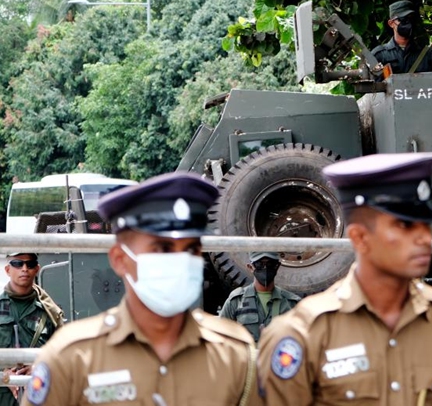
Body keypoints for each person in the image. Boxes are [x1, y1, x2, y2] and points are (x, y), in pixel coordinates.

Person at [257, 152, 432, 405]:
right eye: (405, 226)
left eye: (426, 225)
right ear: (359, 238)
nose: (424, 238)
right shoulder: (303, 334)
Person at [21, 172, 259, 406]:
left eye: (190, 249)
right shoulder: (72, 357)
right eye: (162, 248)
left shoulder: (234, 354)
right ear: (119, 259)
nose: (179, 261)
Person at [0, 253, 64, 406]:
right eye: (17, 263)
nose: (24, 269)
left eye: (30, 264)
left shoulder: (50, 312)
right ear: (8, 270)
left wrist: (39, 368)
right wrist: (4, 376)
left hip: (38, 394)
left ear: (37, 269)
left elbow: (63, 356)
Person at [219, 251, 300, 342]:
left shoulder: (292, 303)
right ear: (250, 267)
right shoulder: (236, 301)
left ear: (277, 266)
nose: (265, 268)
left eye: (270, 264)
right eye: (259, 264)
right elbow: (221, 339)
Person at [372, 0, 432, 75]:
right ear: (391, 23)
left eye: (411, 19)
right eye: (403, 19)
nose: (408, 23)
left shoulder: (428, 55)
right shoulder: (379, 55)